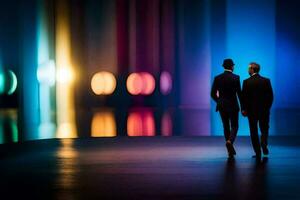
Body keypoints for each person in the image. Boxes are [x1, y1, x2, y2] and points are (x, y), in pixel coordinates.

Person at [211, 58, 242, 157]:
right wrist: (244, 107)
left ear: (224, 67)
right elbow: (239, 94)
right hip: (233, 105)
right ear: (232, 67)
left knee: (226, 126)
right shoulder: (236, 77)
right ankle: (230, 142)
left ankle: (229, 151)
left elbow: (212, 94)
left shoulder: (217, 78)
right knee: (235, 126)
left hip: (222, 106)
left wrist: (219, 101)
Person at [241, 62, 274, 159]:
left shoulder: (246, 82)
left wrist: (243, 109)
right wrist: (267, 107)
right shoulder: (266, 81)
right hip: (264, 110)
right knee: (264, 129)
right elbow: (270, 96)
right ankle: (264, 143)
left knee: (253, 131)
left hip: (251, 112)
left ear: (252, 69)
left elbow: (243, 98)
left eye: (248, 68)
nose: (247, 70)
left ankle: (258, 152)